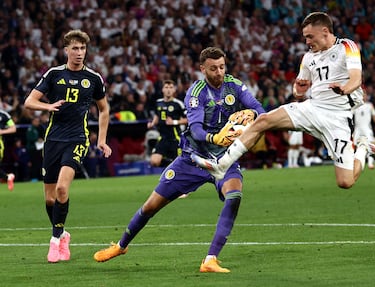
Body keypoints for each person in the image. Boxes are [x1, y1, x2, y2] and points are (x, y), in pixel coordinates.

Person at [93, 47, 265, 273]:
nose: (219, 72)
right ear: (202, 69)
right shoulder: (196, 92)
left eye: (222, 67)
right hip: (192, 159)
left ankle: (210, 259)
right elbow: (195, 129)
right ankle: (121, 245)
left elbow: (259, 109)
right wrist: (216, 137)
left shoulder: (235, 85)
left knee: (234, 195)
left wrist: (251, 117)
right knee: (151, 206)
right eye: (213, 68)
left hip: (225, 159)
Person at [192, 12, 375, 189]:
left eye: (310, 36)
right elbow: (298, 91)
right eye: (305, 37)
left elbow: (356, 78)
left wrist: (344, 89)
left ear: (324, 31)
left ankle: (362, 148)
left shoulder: (347, 46)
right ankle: (222, 165)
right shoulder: (308, 58)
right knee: (263, 121)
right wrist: (299, 88)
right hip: (312, 108)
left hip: (338, 117)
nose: (307, 41)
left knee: (345, 182)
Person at [24, 29, 112, 263]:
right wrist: (48, 106)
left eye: (82, 48)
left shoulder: (93, 78)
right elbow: (29, 102)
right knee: (50, 199)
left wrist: (101, 140)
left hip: (77, 139)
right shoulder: (54, 74)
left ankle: (54, 241)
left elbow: (104, 109)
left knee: (63, 189)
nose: (79, 53)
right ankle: (63, 234)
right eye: (75, 48)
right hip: (52, 140)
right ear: (66, 50)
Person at [147, 80, 188, 167]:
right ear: (162, 89)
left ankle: (173, 164)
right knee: (154, 161)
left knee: (181, 166)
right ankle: (170, 162)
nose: (168, 90)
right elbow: (157, 116)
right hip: (163, 137)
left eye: (171, 87)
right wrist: (152, 123)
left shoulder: (178, 104)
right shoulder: (158, 102)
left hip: (175, 138)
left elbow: (188, 119)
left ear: (174, 90)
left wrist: (174, 122)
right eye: (166, 87)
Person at [353, 90, 375, 169]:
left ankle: (370, 163)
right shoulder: (355, 105)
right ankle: (356, 163)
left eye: (365, 95)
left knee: (370, 145)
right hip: (357, 128)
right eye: (362, 95)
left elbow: (374, 116)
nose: (363, 97)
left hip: (367, 128)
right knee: (355, 146)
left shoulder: (370, 105)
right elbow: (349, 115)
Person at [0, 109, 16, 191]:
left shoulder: (3, 115)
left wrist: (2, 131)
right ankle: (8, 177)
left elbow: (13, 128)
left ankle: (7, 177)